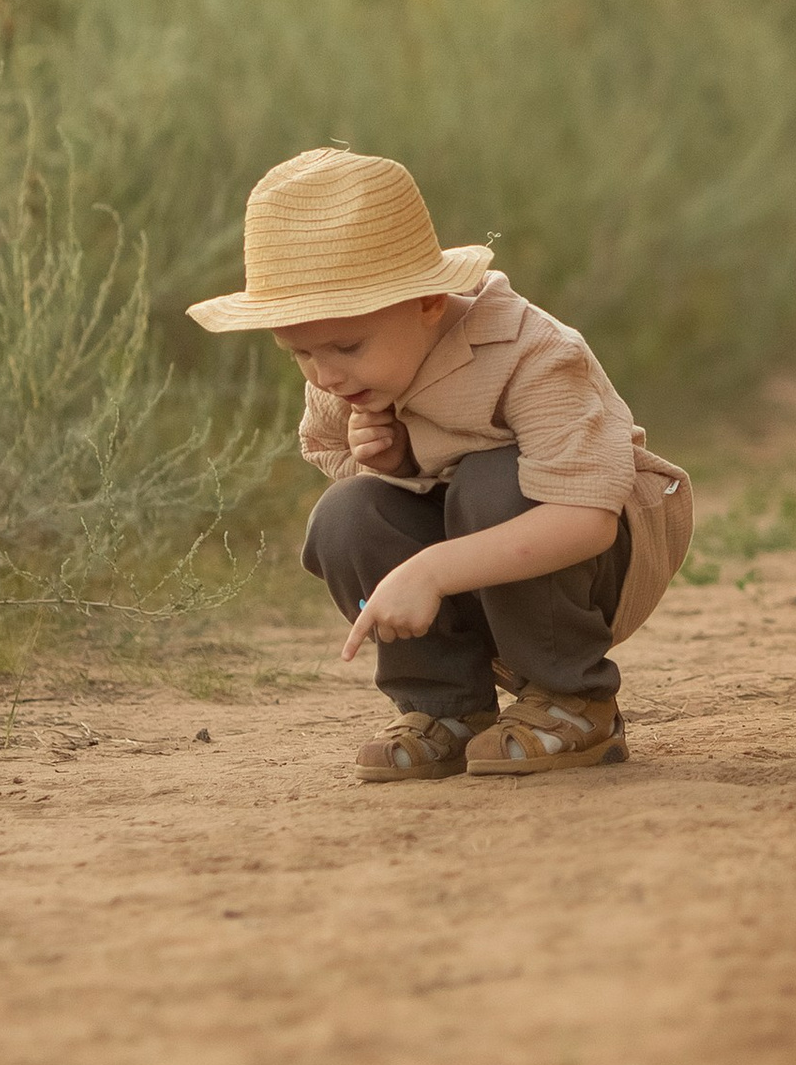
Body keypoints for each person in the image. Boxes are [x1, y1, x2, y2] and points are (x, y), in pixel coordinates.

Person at [191, 145, 693, 782]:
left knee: (492, 480)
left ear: (429, 300)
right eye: (299, 354)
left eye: (346, 345)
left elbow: (586, 519)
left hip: (590, 554)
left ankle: (573, 698)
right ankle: (447, 708)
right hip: (477, 550)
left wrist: (431, 569)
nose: (324, 373)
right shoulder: (344, 368)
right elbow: (346, 462)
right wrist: (397, 458)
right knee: (348, 514)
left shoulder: (532, 353)